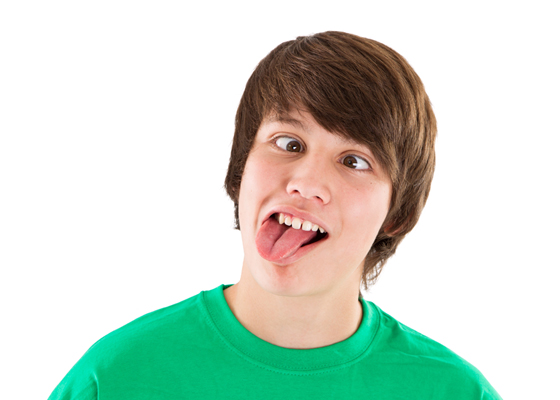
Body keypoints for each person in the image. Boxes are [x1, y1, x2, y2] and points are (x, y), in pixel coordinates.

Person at [49, 31, 502, 399]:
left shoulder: (455, 392)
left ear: (395, 215)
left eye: (354, 161)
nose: (306, 182)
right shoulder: (114, 378)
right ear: (240, 169)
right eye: (289, 143)